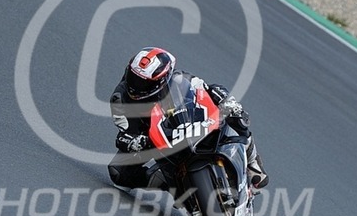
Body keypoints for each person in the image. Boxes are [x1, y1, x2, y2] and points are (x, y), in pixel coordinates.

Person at [107, 46, 269, 192]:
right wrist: (133, 141)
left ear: (162, 79)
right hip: (152, 139)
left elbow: (207, 88)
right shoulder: (119, 99)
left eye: (144, 82)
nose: (136, 86)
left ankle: (253, 162)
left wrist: (226, 100)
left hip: (188, 121)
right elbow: (124, 133)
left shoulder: (179, 78)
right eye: (134, 77)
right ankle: (170, 184)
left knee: (235, 113)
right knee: (118, 173)